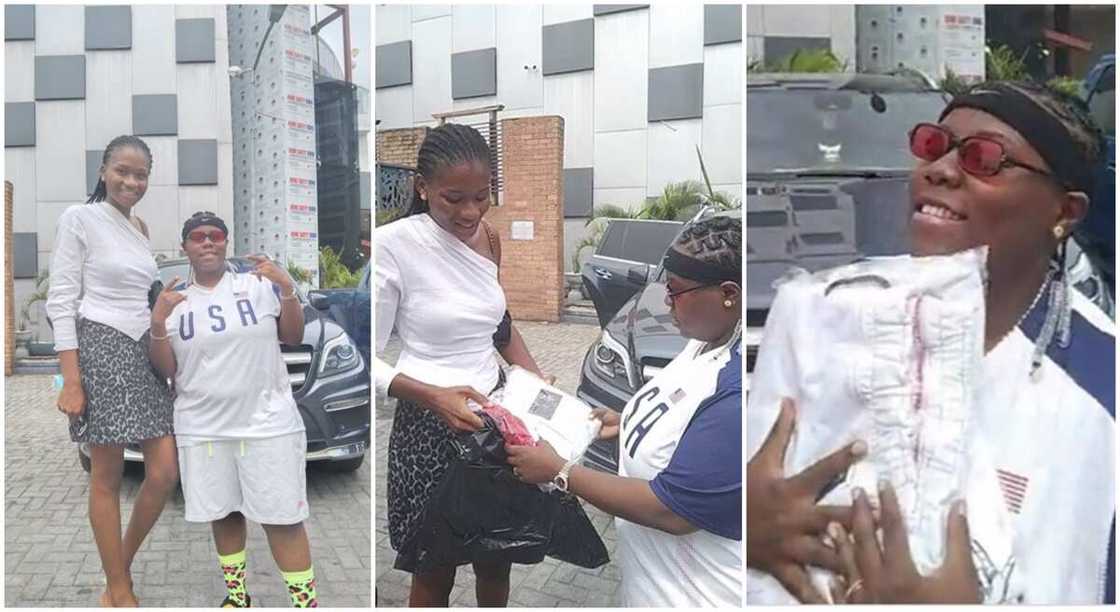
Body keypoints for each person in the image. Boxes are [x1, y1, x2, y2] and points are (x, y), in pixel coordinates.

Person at [747, 81, 1115, 604]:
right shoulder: (822, 316)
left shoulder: (1104, 385)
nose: (939, 169)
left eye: (983, 157)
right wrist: (749, 531)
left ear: (1065, 212)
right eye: (931, 145)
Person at [506, 215, 744, 607]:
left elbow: (672, 511)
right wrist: (628, 422)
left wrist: (559, 472)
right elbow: (681, 410)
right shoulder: (706, 342)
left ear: (728, 293)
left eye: (676, 290)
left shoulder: (740, 392)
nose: (665, 301)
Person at [374, 123, 551, 606]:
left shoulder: (489, 238)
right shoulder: (394, 245)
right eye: (454, 198)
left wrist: (537, 386)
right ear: (422, 186)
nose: (470, 212)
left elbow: (500, 326)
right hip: (430, 427)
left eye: (481, 196)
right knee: (434, 572)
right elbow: (364, 359)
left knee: (497, 558)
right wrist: (433, 397)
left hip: (493, 422)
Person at [146, 212, 318, 608]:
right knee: (223, 513)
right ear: (185, 246)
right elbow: (167, 369)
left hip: (267, 423)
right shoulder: (175, 302)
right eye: (197, 237)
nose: (207, 242)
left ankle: (305, 604)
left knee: (282, 518)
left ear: (225, 242)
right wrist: (158, 321)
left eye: (215, 235)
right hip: (203, 427)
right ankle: (238, 597)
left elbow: (291, 336)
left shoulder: (256, 285)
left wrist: (287, 290)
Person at [46, 135, 178, 607]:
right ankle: (119, 588)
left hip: (142, 347)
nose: (131, 180)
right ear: (103, 171)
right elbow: (62, 300)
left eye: (141, 174)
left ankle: (116, 565)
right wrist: (72, 379)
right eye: (122, 170)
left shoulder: (138, 227)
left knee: (163, 472)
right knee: (106, 475)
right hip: (101, 344)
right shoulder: (79, 218)